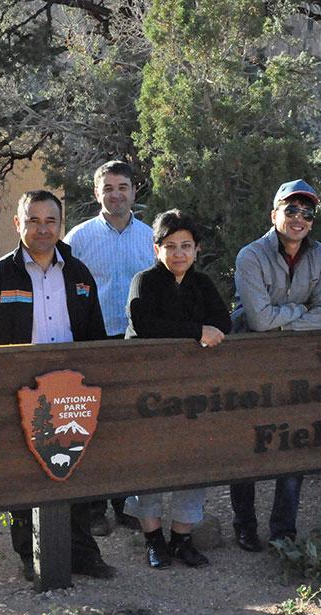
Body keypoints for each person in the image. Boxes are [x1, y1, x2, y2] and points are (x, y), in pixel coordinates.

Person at [0, 189, 115, 581]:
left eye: (50, 220)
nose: (42, 229)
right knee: (25, 476)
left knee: (76, 470)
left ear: (60, 225)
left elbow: (95, 339)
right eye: (33, 220)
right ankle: (29, 556)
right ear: (18, 224)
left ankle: (84, 554)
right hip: (22, 393)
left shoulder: (79, 274)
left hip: (71, 392)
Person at [228, 179, 321, 550]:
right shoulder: (250, 255)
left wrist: (283, 318)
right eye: (291, 210)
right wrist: (300, 312)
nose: (299, 218)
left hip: (297, 364)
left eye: (307, 212)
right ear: (274, 213)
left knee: (294, 443)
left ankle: (283, 530)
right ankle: (244, 524)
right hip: (250, 363)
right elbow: (257, 320)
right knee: (244, 444)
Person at [123, 210, 232, 568]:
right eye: (170, 246)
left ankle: (182, 539)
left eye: (186, 246)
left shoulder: (203, 285)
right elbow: (145, 323)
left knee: (192, 460)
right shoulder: (144, 281)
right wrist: (195, 332)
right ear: (157, 249)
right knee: (148, 463)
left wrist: (204, 329)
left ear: (197, 249)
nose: (179, 253)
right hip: (149, 391)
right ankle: (153, 539)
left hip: (193, 392)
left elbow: (223, 321)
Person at [64, 160, 154, 535]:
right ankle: (93, 509)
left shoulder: (150, 237)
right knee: (90, 425)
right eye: (108, 188)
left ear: (134, 191)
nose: (115, 194)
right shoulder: (78, 239)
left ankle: (127, 505)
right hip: (92, 340)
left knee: (129, 426)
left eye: (122, 187)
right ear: (96, 193)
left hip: (134, 341)